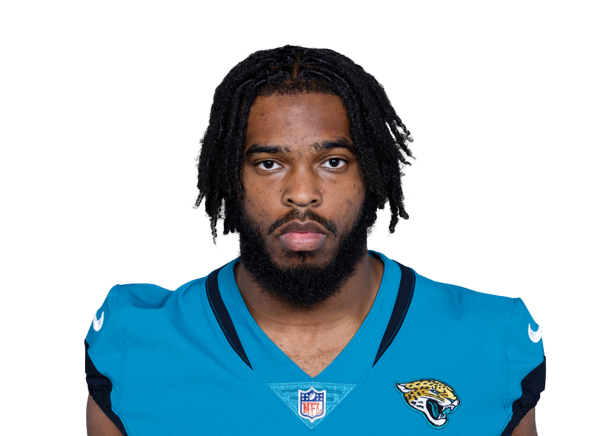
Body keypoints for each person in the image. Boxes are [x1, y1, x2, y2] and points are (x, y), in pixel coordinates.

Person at [85, 46, 545, 435]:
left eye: (333, 162)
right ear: (231, 178)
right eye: (269, 164)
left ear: (372, 173)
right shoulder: (135, 342)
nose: (302, 193)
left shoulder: (491, 339)